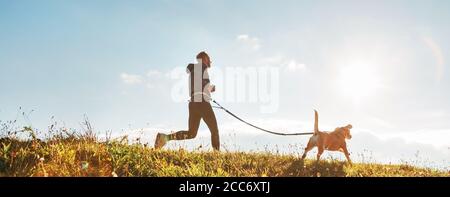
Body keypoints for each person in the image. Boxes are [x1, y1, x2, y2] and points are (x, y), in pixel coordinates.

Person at [154, 51, 220, 151]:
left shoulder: (194, 69)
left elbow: (198, 85)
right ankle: (217, 156)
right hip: (202, 101)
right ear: (205, 59)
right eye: (208, 59)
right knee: (214, 130)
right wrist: (211, 87)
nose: (209, 61)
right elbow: (204, 86)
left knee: (192, 133)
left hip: (193, 102)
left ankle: (164, 137)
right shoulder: (202, 67)